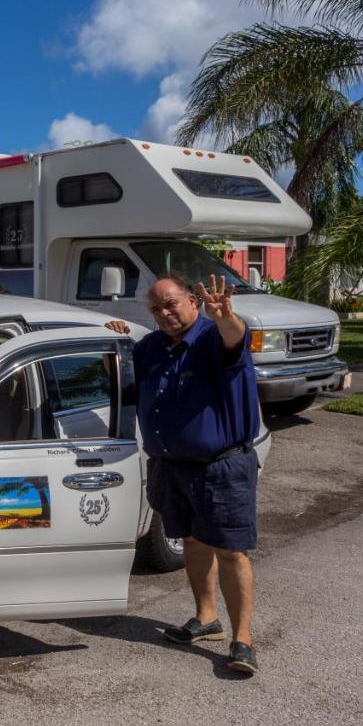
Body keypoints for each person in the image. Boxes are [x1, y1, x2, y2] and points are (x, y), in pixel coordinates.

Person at [106, 273, 261, 675]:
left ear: (193, 301)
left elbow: (235, 337)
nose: (165, 313)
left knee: (230, 551)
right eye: (156, 308)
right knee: (192, 542)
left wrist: (225, 315)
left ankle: (242, 640)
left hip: (221, 466)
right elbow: (122, 373)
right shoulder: (151, 347)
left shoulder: (215, 337)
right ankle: (206, 618)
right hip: (171, 466)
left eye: (171, 303)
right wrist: (117, 335)